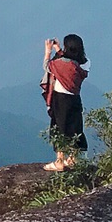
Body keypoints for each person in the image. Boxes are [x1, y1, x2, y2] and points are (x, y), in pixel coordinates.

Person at [42, 33, 89, 172]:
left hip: (60, 99)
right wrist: (59, 51)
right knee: (75, 127)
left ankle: (59, 161)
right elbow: (70, 62)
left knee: (59, 127)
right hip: (75, 98)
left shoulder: (58, 64)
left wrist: (48, 51)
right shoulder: (85, 65)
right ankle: (73, 159)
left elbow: (47, 66)